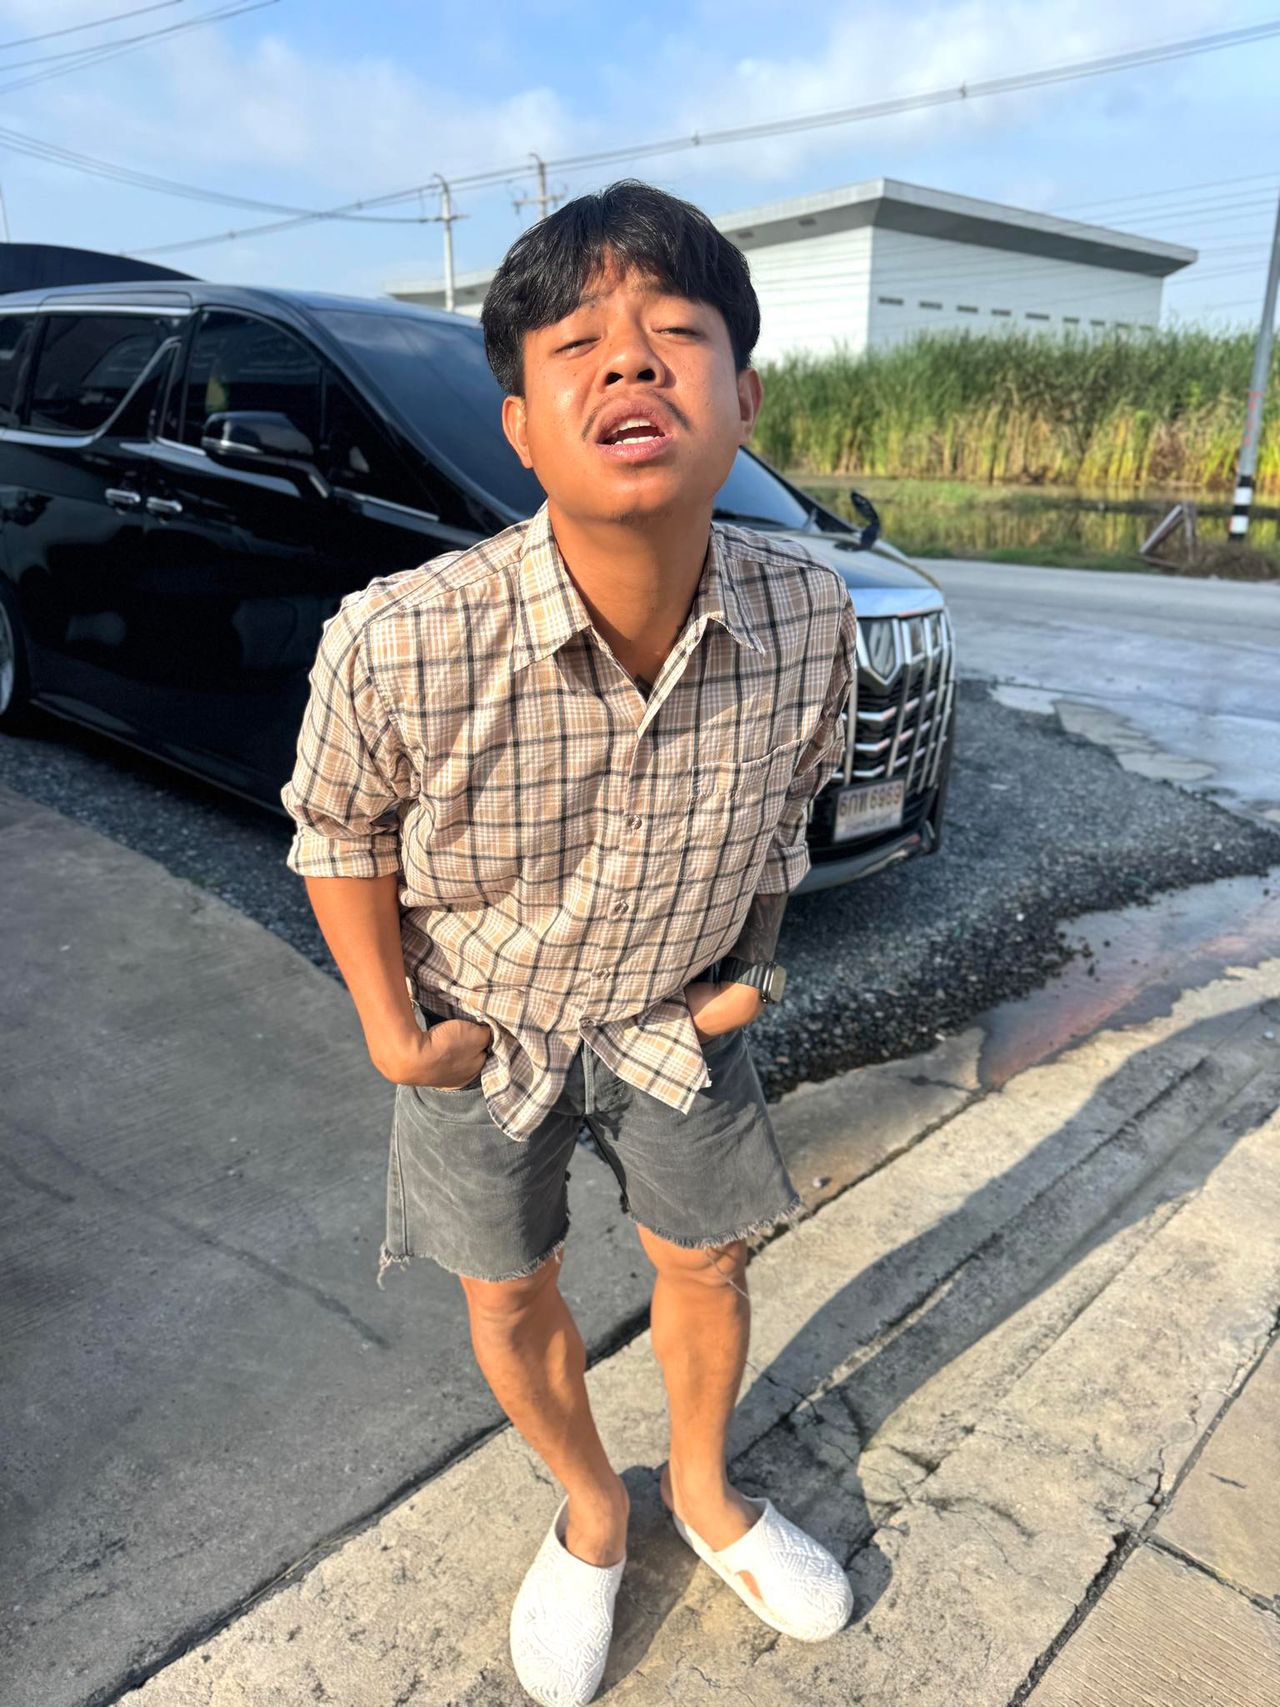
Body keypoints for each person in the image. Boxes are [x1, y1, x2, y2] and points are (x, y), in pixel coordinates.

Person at [281, 178, 858, 1706]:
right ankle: (593, 1511)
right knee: (507, 1286)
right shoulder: (402, 635)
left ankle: (707, 1492)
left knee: (707, 1259)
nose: (631, 362)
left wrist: (752, 968)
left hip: (678, 1011)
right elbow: (335, 829)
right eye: (578, 347)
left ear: (744, 399)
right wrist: (391, 1029)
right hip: (482, 1027)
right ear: (522, 427)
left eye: (676, 333)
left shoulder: (811, 612)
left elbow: (793, 792)